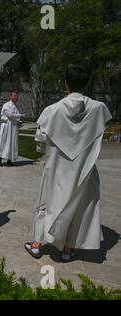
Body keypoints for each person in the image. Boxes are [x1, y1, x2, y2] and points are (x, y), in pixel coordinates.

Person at [25, 65, 112, 262]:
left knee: (46, 201)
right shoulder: (99, 109)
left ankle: (37, 245)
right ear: (87, 82)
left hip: (56, 166)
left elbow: (40, 142)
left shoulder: (52, 110)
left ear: (66, 83)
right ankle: (68, 248)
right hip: (83, 168)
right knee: (78, 205)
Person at [0, 90, 25, 167]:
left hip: (13, 127)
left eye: (17, 96)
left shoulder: (16, 106)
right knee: (4, 142)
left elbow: (15, 117)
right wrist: (20, 115)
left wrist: (20, 122)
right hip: (6, 127)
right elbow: (10, 115)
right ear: (10, 96)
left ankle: (9, 160)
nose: (15, 97)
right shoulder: (6, 105)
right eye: (14, 95)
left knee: (12, 142)